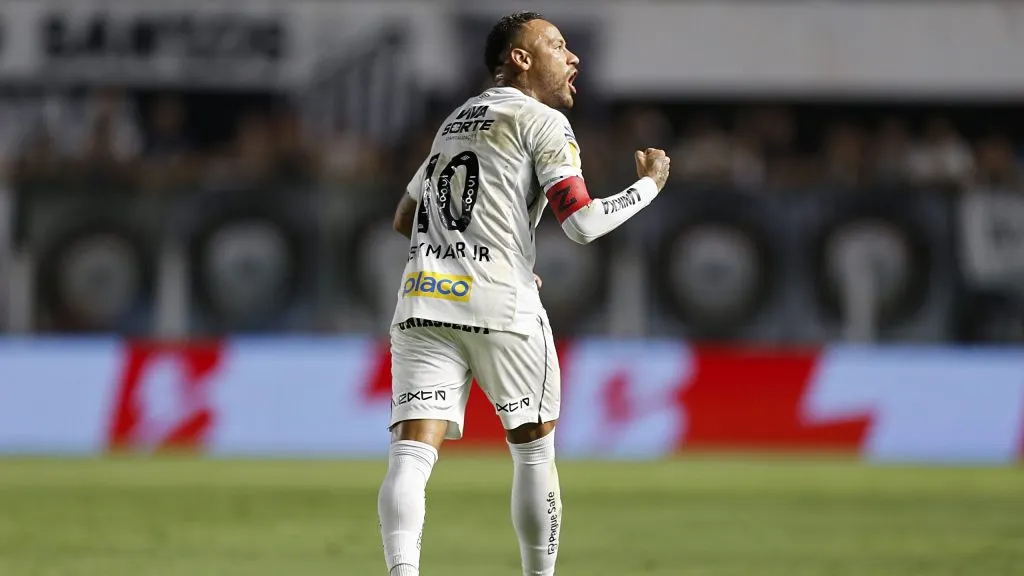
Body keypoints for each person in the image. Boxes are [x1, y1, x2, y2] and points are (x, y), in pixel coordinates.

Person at [377, 11, 671, 576]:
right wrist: (648, 187)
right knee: (533, 449)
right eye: (558, 46)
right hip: (500, 301)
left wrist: (465, 243)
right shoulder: (542, 122)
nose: (573, 57)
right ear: (521, 58)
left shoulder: (456, 120)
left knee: (412, 453)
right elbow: (581, 224)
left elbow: (404, 215)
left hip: (423, 298)